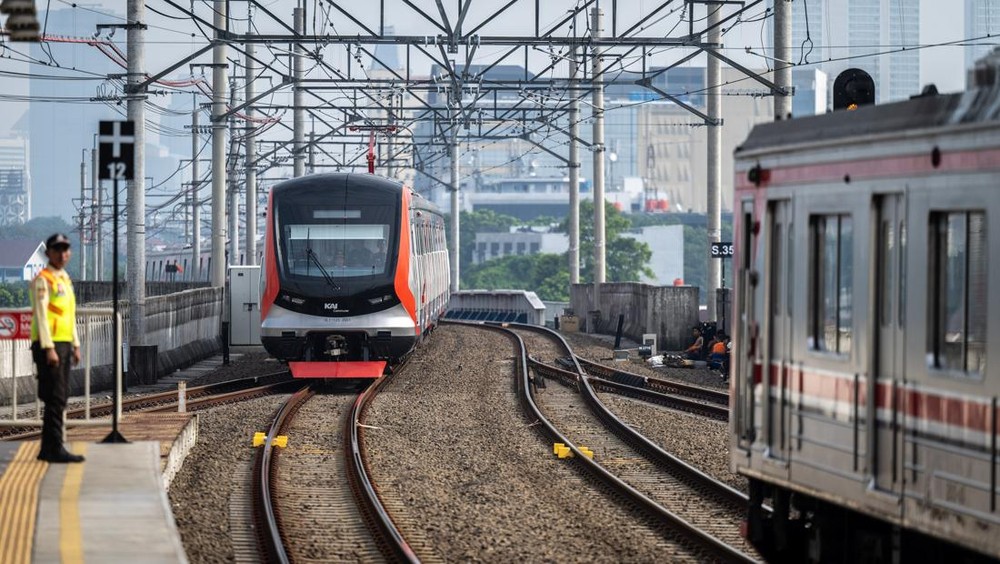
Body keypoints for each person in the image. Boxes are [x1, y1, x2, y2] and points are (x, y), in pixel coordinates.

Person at [31, 234, 84, 463]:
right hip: (49, 345)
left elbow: (68, 314)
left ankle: (48, 449)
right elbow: (42, 316)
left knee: (57, 397)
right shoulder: (43, 280)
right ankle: (55, 448)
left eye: (65, 250)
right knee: (56, 397)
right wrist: (49, 348)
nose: (62, 254)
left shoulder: (64, 278)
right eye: (57, 250)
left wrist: (76, 343)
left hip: (63, 343)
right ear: (49, 253)